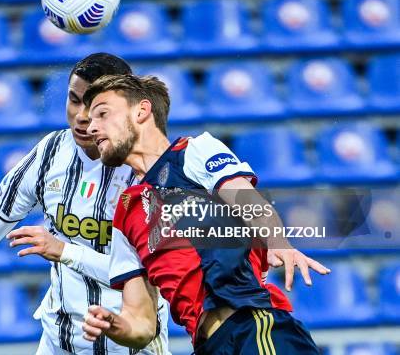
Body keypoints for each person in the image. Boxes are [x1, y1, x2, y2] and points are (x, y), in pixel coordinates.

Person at [0, 54, 171, 355]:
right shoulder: (51, 154)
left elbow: (150, 275)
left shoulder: (150, 172)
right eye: (74, 100)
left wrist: (65, 252)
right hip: (58, 342)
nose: (81, 116)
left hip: (129, 346)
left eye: (95, 108)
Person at [81, 74, 331, 354]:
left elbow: (246, 197)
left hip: (254, 326)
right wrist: (116, 326)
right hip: (208, 345)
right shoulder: (125, 212)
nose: (91, 127)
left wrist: (277, 241)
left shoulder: (194, 151)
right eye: (90, 120)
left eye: (102, 114)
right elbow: (142, 325)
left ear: (141, 111)